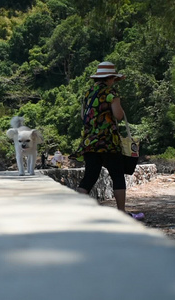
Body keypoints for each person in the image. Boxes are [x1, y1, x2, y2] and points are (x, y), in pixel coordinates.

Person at [70, 61, 144, 220]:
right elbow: (118, 115)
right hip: (108, 143)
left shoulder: (88, 93)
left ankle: (76, 213)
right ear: (110, 78)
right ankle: (122, 213)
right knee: (117, 176)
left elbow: (84, 116)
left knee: (89, 177)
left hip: (90, 143)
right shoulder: (112, 93)